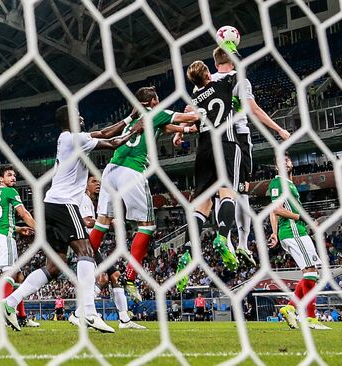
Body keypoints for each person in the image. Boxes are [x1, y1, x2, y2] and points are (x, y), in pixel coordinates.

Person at [2, 105, 140, 332]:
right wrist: (134, 127)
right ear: (70, 119)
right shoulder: (73, 138)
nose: (82, 116)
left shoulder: (70, 138)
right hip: (64, 204)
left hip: (50, 205)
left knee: (54, 268)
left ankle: (10, 303)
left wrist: (128, 120)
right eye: (77, 114)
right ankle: (89, 312)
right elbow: (110, 139)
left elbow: (102, 134)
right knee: (85, 251)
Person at [89, 86, 199, 301]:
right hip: (132, 171)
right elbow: (192, 116)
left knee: (102, 221)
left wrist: (184, 131)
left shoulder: (132, 118)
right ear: (153, 101)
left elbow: (163, 129)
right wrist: (198, 108)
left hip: (110, 170)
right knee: (147, 226)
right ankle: (129, 277)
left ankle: (83, 264)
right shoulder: (158, 112)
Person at [210, 47, 291, 266]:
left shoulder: (207, 81)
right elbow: (254, 109)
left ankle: (225, 240)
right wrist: (278, 130)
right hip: (238, 138)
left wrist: (179, 134)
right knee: (242, 190)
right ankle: (243, 244)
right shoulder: (239, 80)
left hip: (214, 140)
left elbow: (192, 107)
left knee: (222, 192)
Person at [174, 61, 243, 291]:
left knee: (201, 205)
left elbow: (192, 125)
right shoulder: (223, 84)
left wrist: (179, 134)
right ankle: (223, 236)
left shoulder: (194, 102)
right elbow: (235, 70)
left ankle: (187, 252)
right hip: (224, 142)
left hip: (202, 149)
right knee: (227, 194)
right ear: (207, 74)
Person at [74, 175, 146, 330]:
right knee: (110, 277)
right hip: (86, 245)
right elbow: (86, 221)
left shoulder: (90, 201)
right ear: (85, 185)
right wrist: (109, 222)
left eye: (98, 182)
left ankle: (123, 319)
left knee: (111, 277)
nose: (97, 184)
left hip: (92, 245)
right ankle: (80, 313)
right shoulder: (84, 199)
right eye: (93, 182)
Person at [269, 152, 330, 330]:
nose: (286, 162)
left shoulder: (289, 184)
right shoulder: (278, 182)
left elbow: (274, 211)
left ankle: (290, 308)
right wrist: (299, 217)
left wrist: (274, 232)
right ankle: (310, 318)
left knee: (311, 273)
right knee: (311, 272)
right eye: (281, 160)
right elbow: (276, 208)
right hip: (293, 230)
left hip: (295, 230)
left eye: (287, 159)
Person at [0, 166, 39, 328]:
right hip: (5, 239)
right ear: (1, 179)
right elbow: (24, 214)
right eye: (9, 175)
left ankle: (22, 317)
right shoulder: (11, 192)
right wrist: (40, 230)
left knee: (18, 276)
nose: (13, 178)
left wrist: (18, 228)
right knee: (9, 273)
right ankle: (5, 312)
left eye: (15, 175)